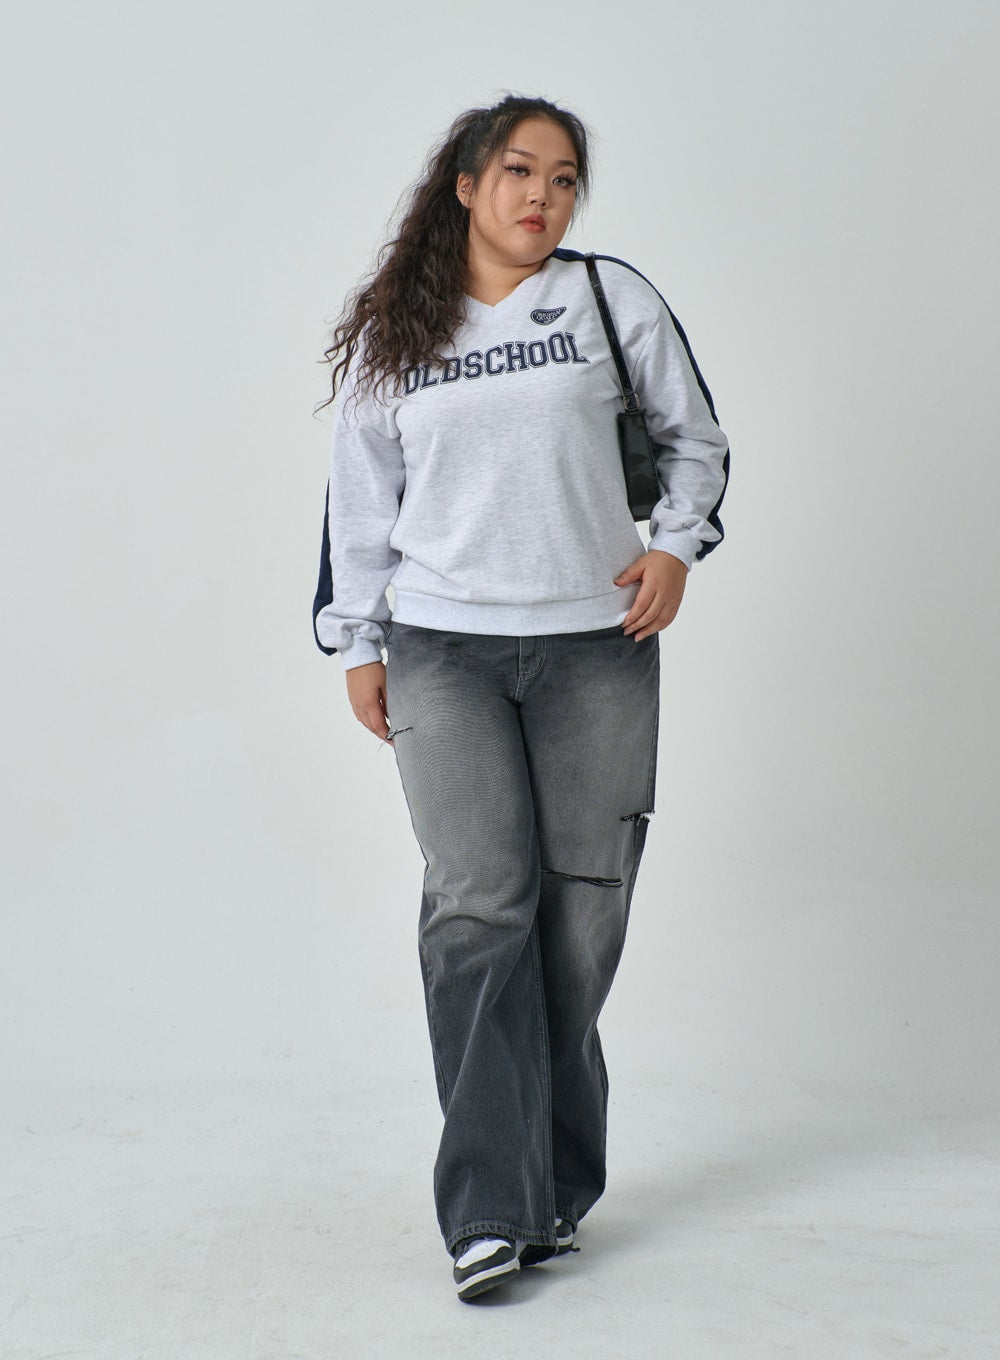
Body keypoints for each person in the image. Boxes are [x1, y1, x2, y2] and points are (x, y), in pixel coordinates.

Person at [312, 93, 729, 1302]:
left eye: (561, 178)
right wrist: (356, 643)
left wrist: (674, 547)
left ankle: (554, 1188)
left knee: (578, 919)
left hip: (596, 650)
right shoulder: (401, 328)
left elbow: (694, 439)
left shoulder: (609, 299)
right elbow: (358, 502)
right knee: (477, 907)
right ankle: (490, 1208)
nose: (540, 196)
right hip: (442, 652)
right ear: (464, 184)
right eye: (516, 171)